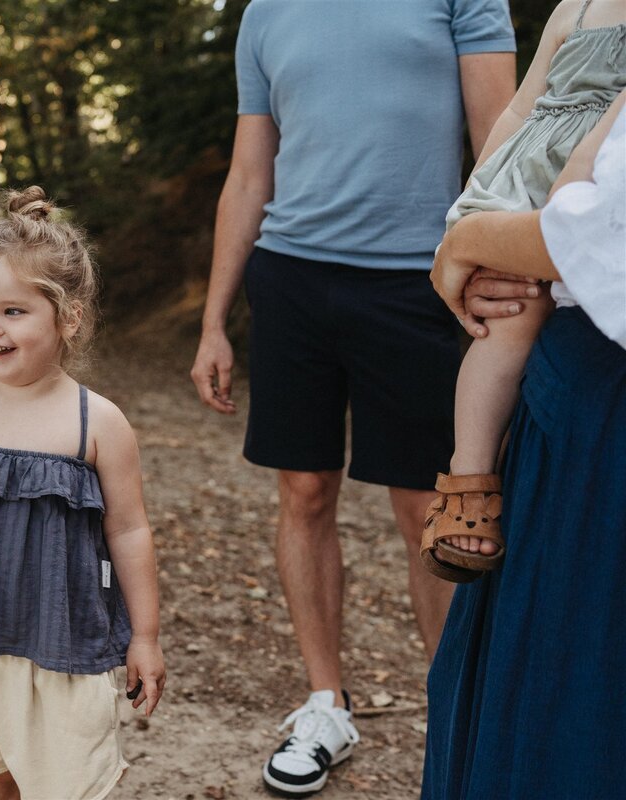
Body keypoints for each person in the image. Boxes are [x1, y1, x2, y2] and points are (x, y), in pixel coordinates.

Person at [188, 1, 517, 795]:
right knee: (302, 492)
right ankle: (325, 705)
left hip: (421, 284)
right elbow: (248, 172)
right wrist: (213, 322)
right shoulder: (265, 12)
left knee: (425, 509)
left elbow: (499, 145)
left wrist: (498, 265)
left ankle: (454, 710)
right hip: (291, 277)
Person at [0, 187, 165, 800]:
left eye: (14, 312)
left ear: (68, 317)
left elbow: (128, 530)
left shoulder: (96, 423)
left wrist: (144, 636)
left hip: (62, 647)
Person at [423, 92, 625, 799]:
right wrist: (477, 214)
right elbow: (528, 121)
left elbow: (586, 219)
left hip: (596, 365)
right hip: (532, 190)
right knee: (506, 317)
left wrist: (469, 243)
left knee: (573, 677)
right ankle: (468, 475)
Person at [421, 0, 626, 583]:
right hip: (535, 172)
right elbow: (518, 110)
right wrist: (479, 196)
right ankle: (470, 470)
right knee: (511, 310)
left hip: (599, 178)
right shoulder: (575, 10)